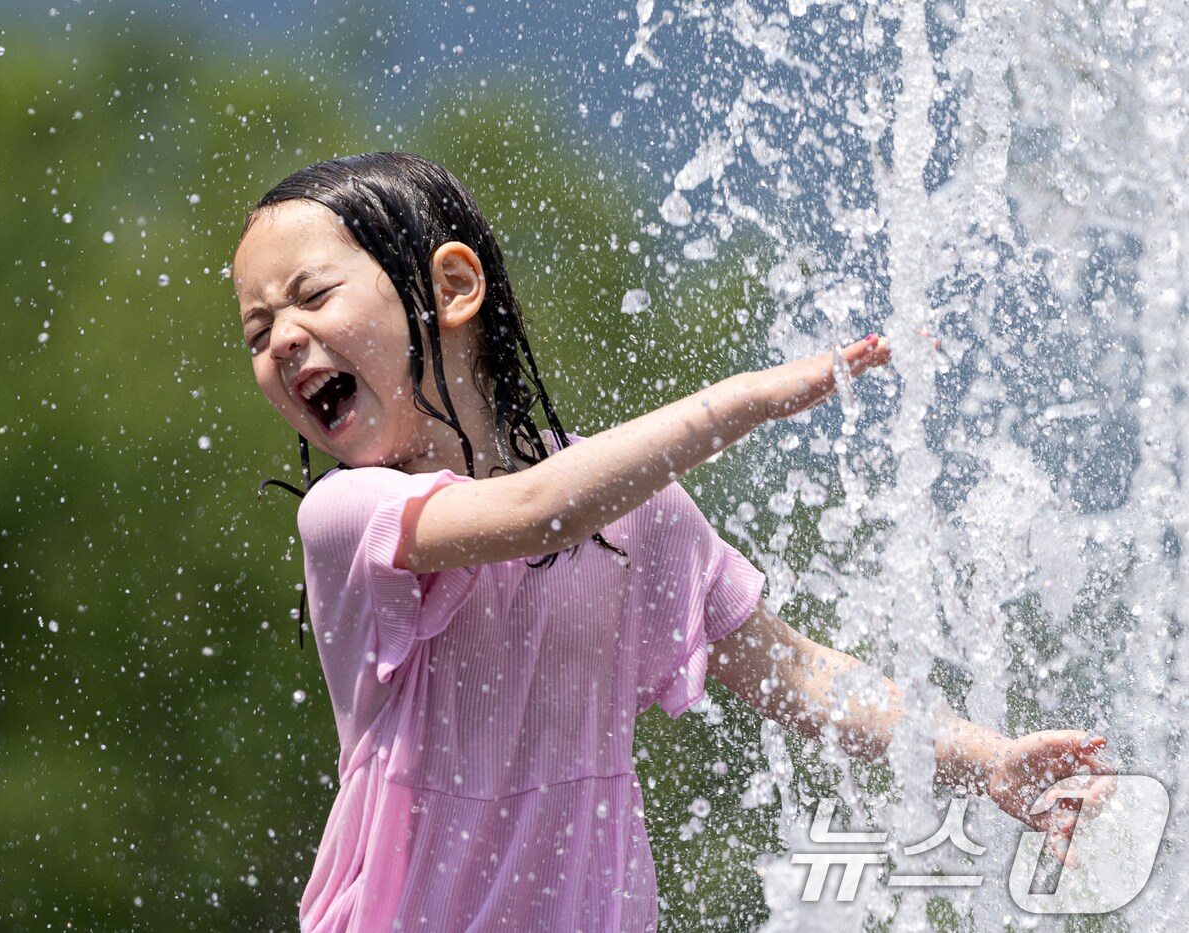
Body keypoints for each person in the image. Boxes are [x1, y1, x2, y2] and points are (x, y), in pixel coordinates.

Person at [231, 152, 1111, 932]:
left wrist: (987, 759)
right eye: (259, 332)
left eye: (312, 296)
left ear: (454, 287)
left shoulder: (632, 512)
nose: (284, 341)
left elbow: (798, 673)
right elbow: (537, 511)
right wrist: (740, 401)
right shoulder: (350, 518)